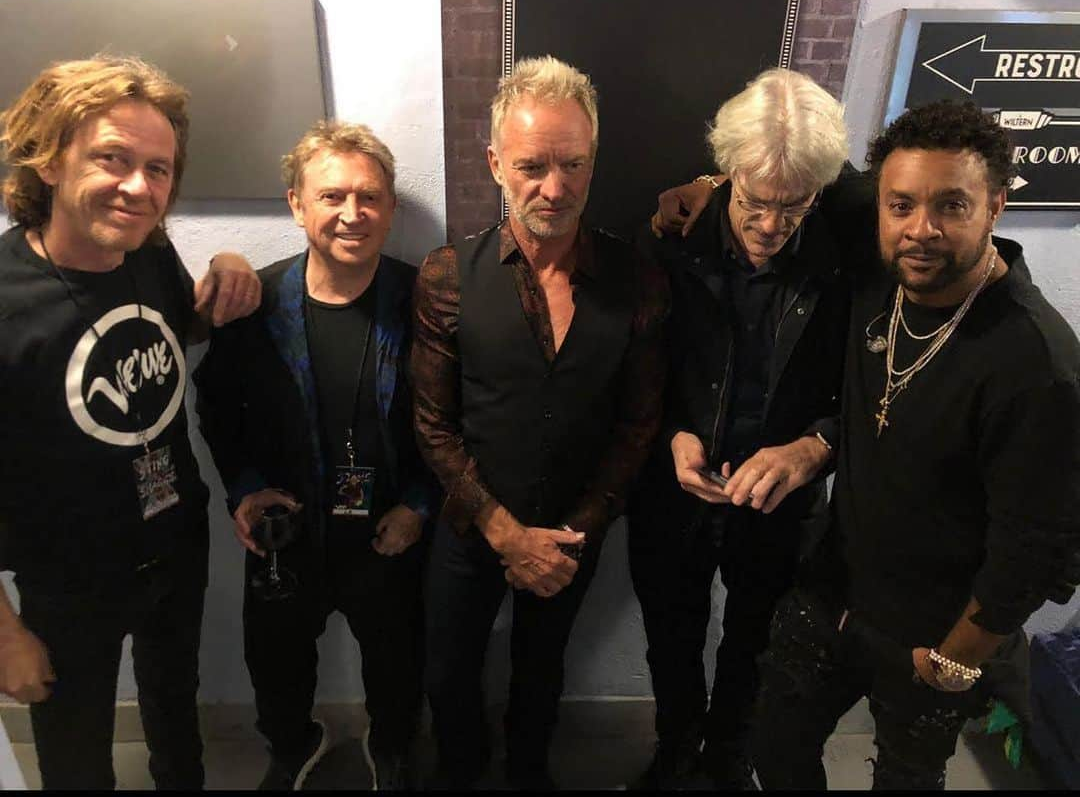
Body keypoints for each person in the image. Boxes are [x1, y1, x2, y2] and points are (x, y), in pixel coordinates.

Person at [654, 100, 1080, 789]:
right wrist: (708, 187)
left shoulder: (1038, 365)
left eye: (953, 206)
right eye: (903, 205)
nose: (922, 230)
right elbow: (789, 169)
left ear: (997, 205)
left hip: (933, 628)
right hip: (832, 587)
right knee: (775, 749)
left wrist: (961, 659)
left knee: (906, 779)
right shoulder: (882, 264)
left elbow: (1042, 545)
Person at [0, 56, 260, 789]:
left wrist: (232, 267)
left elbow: (182, 331)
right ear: (49, 159)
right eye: (112, 158)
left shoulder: (146, 251)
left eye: (159, 168)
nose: (139, 187)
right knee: (78, 756)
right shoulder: (6, 302)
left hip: (175, 538)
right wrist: (5, 635)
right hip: (68, 579)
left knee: (177, 715)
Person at [411, 55, 669, 789]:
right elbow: (432, 427)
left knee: (543, 672)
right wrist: (502, 531)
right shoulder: (446, 276)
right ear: (495, 162)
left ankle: (529, 775)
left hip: (571, 532)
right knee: (448, 674)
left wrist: (570, 536)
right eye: (531, 166)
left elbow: (638, 427)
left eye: (573, 165)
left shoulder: (640, 279)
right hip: (471, 528)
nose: (554, 188)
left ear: (594, 162)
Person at [195, 121, 439, 790]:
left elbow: (457, 419)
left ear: (390, 208)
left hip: (391, 527)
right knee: (274, 663)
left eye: (369, 197)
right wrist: (244, 492)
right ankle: (293, 742)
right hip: (286, 531)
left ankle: (390, 746)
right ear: (297, 204)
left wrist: (420, 504)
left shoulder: (427, 303)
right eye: (332, 197)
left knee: (397, 664)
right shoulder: (256, 302)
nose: (351, 214)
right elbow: (216, 407)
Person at [625, 68, 852, 789]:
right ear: (725, 175)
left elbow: (872, 391)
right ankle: (675, 746)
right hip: (676, 487)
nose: (770, 226)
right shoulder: (668, 240)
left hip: (781, 497)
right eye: (756, 202)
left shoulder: (850, 255)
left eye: (796, 207)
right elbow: (634, 369)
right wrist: (670, 436)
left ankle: (728, 758)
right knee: (671, 634)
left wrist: (815, 446)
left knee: (758, 642)